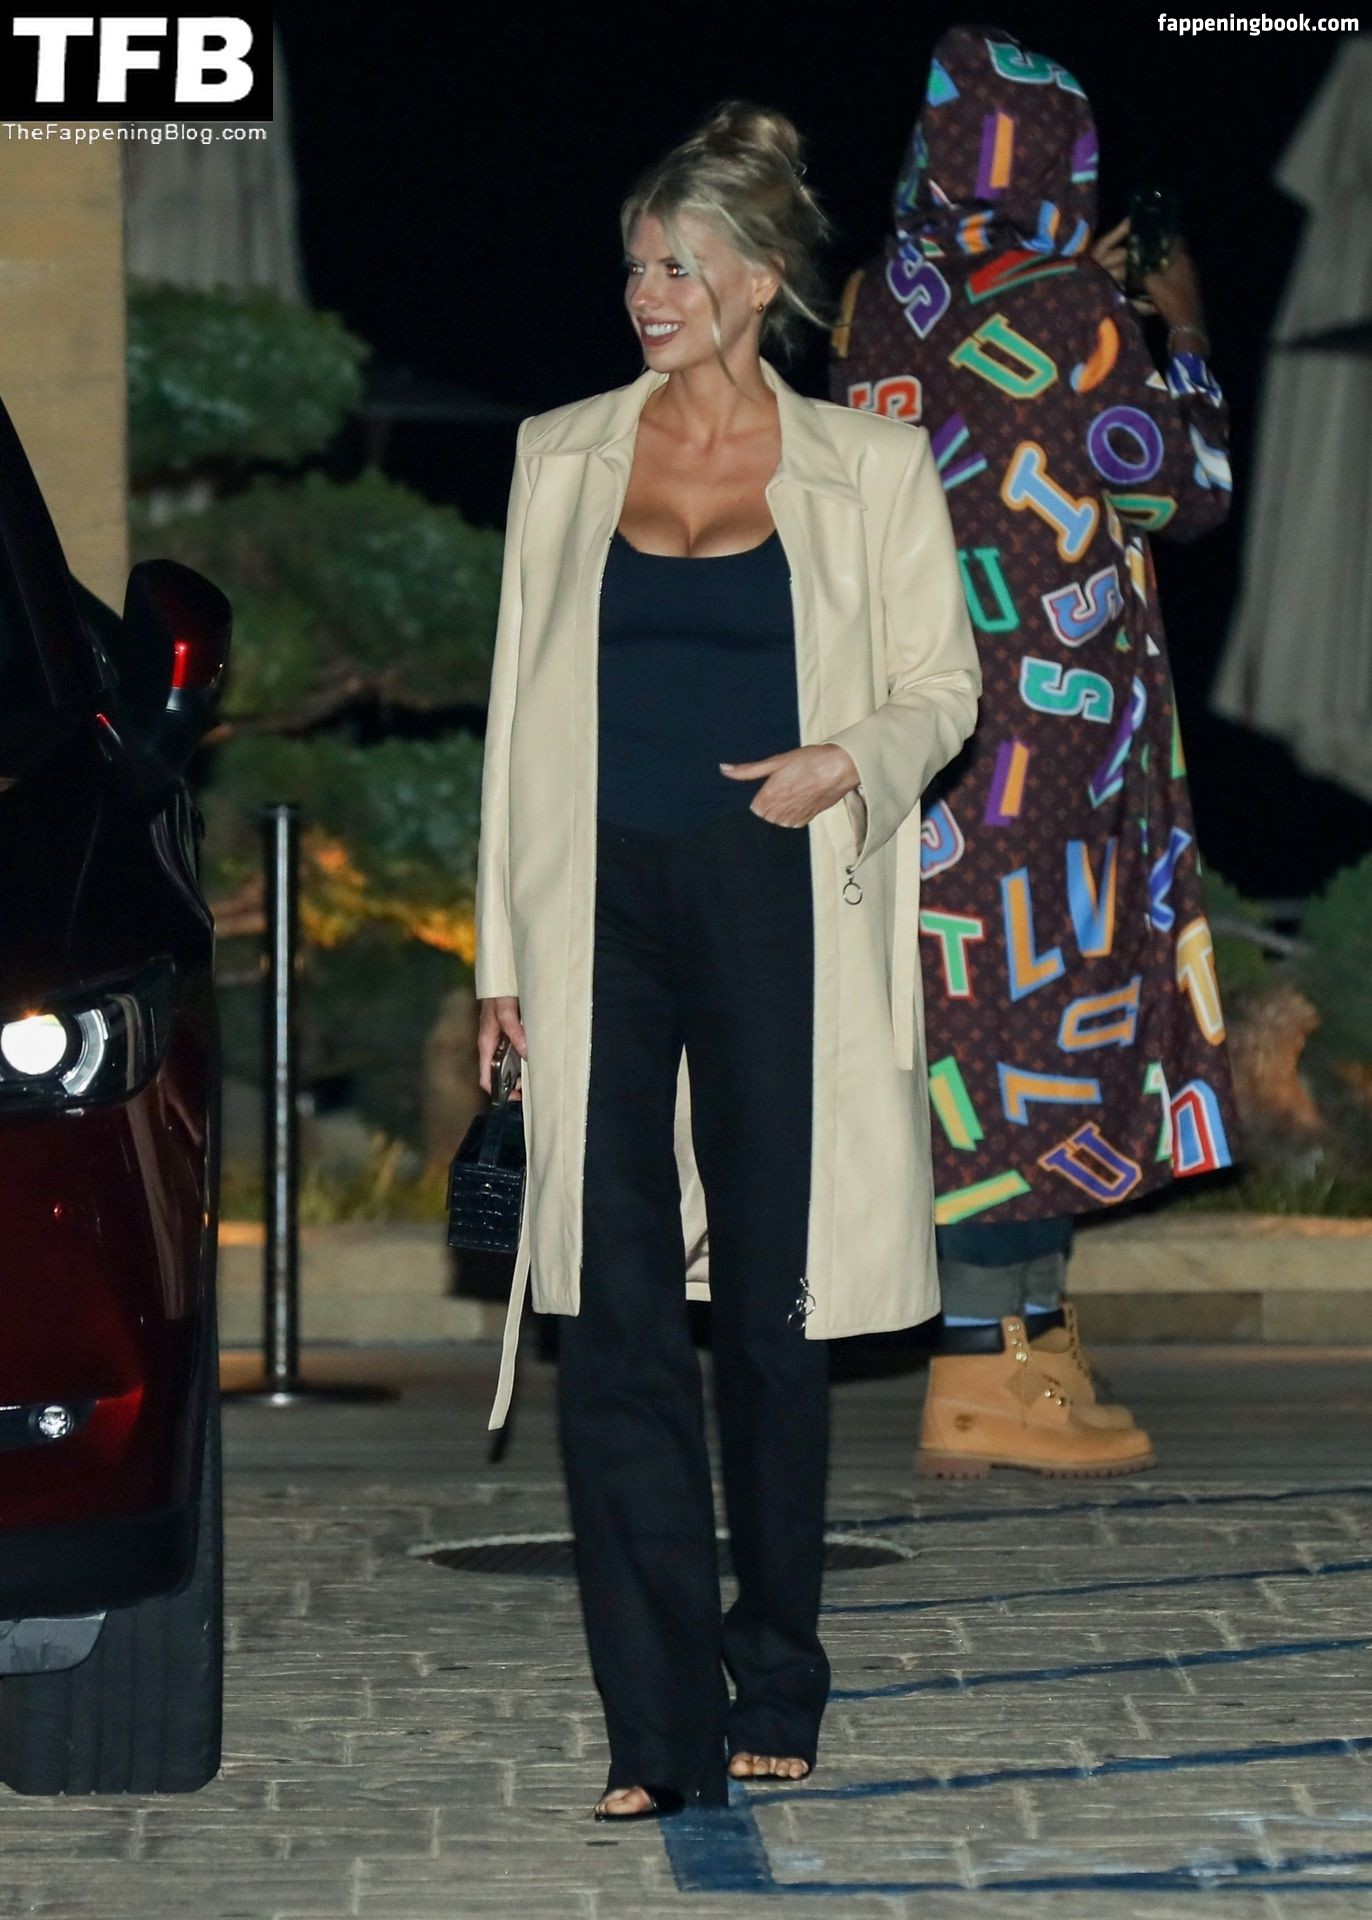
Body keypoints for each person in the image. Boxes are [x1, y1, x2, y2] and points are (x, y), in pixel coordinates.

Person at [474, 102, 980, 1820]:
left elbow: (945, 686)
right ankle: (658, 1726)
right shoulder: (559, 453)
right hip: (595, 913)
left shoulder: (869, 466)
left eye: (683, 267)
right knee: (615, 1318)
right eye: (637, 264)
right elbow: (512, 723)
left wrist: (850, 758)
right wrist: (499, 956)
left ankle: (779, 1667)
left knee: (773, 1313)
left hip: (782, 901)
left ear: (763, 280)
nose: (650, 293)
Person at [831, 26, 1238, 1477]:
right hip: (1051, 737)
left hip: (919, 723)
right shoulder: (1076, 305)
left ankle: (1029, 1347)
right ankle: (981, 1373)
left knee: (968, 1036)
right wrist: (1178, 333)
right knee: (1047, 1030)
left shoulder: (871, 300)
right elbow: (1183, 490)